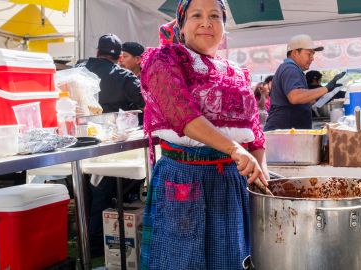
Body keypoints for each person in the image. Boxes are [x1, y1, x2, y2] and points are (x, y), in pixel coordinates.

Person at [139, 0, 269, 269]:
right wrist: (235, 150)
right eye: (196, 15)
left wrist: (261, 169)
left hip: (231, 182)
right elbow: (182, 116)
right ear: (182, 26)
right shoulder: (166, 59)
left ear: (224, 26)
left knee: (232, 257)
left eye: (215, 16)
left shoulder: (235, 71)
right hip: (185, 177)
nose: (206, 22)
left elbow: (253, 128)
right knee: (182, 259)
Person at [76, 34, 145, 257]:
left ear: (97, 52)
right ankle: (96, 245)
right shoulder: (124, 76)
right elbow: (144, 104)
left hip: (78, 141)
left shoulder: (79, 68)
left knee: (82, 192)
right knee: (102, 195)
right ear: (118, 57)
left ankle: (83, 240)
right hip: (109, 146)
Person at [264, 34, 345, 130]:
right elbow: (295, 97)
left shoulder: (291, 69)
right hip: (284, 133)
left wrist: (321, 97)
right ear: (295, 53)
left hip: (287, 131)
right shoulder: (290, 68)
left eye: (313, 54)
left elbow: (297, 100)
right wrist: (326, 88)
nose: (312, 58)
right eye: (309, 54)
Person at [78, 34, 145, 114]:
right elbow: (146, 102)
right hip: (116, 125)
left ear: (97, 52)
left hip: (81, 124)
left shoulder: (78, 70)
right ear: (120, 57)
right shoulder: (125, 77)